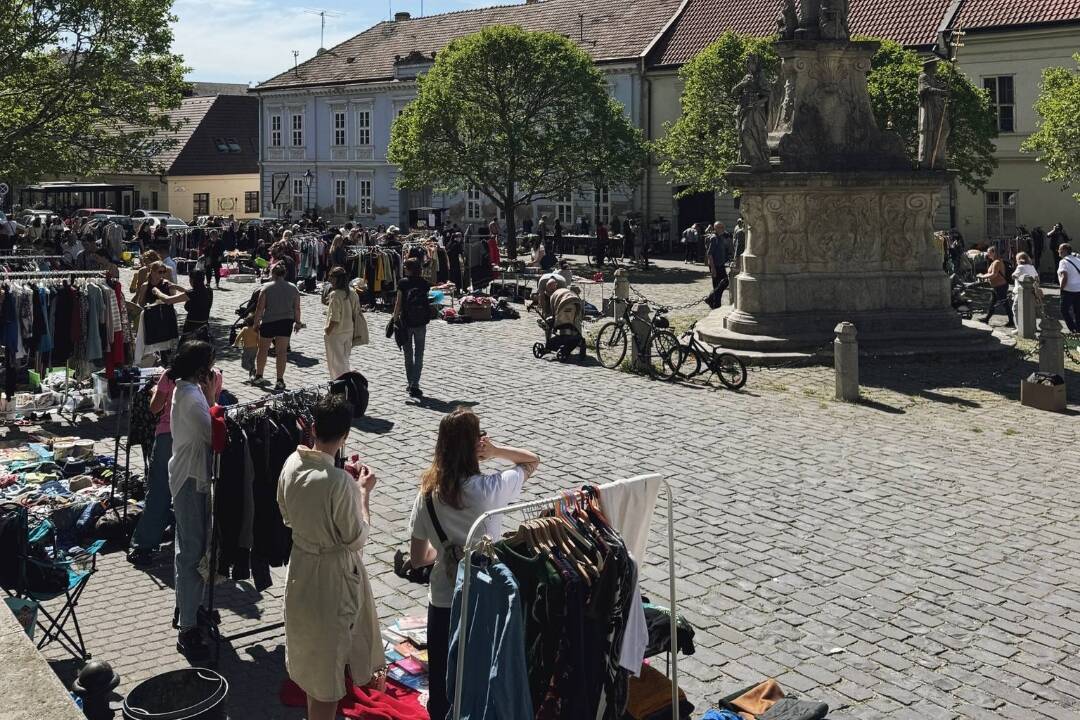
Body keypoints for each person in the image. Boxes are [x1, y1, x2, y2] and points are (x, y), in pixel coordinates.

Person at [406, 408, 539, 720]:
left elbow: (416, 559)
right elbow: (531, 461)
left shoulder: (427, 494)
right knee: (482, 679)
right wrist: (496, 451)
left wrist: (445, 553)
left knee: (442, 682)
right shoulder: (489, 490)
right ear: (475, 444)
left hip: (442, 598)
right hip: (483, 598)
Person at [277, 395, 381, 720]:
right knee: (326, 673)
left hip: (301, 567)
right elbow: (357, 536)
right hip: (331, 578)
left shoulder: (291, 464)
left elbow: (286, 516)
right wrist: (362, 493)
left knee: (312, 664)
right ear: (345, 435)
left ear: (313, 428)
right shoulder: (339, 483)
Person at [167, 340, 218, 661]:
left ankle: (189, 607)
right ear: (201, 369)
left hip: (189, 476)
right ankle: (187, 628)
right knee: (191, 552)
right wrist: (213, 397)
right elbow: (211, 432)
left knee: (190, 546)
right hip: (189, 479)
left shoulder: (187, 390)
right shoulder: (189, 396)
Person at [252, 263, 302, 390]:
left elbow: (259, 308)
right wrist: (298, 322)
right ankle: (280, 380)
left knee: (263, 350)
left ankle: (259, 376)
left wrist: (256, 323)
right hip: (286, 322)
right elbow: (296, 308)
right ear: (285, 274)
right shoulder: (293, 288)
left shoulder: (266, 288)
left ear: (272, 273)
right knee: (281, 352)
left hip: (269, 321)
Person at [392, 258, 431, 397]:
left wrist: (394, 320)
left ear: (408, 268)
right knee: (419, 354)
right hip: (421, 323)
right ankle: (416, 383)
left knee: (408, 354)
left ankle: (410, 383)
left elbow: (398, 304)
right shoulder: (424, 283)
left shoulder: (403, 283)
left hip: (406, 322)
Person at [323, 266, 357, 380]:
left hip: (336, 333)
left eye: (331, 277)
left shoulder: (335, 294)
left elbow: (335, 318)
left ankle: (340, 385)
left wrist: (327, 330)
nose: (329, 280)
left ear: (337, 279)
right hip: (349, 330)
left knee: (335, 363)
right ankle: (347, 381)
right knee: (344, 359)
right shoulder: (352, 293)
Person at [977, 246, 1014, 327]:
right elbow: (991, 274)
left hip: (1000, 286)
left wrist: (982, 277)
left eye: (989, 252)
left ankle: (1011, 321)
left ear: (994, 252)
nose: (987, 254)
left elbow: (994, 274)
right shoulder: (994, 262)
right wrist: (983, 276)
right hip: (996, 286)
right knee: (992, 303)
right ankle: (987, 319)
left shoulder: (997, 262)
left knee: (1005, 303)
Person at [181, 265, 214, 339]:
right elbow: (190, 292)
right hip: (204, 326)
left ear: (191, 280)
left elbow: (168, 300)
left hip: (191, 327)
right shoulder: (208, 290)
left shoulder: (191, 293)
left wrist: (157, 291)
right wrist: (176, 287)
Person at [1010, 252, 1040, 323]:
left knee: (1015, 308)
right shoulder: (1032, 267)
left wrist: (1018, 276)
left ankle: (1018, 327)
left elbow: (1013, 276)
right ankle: (1032, 326)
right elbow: (1037, 278)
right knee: (1029, 310)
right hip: (1032, 291)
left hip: (1020, 291)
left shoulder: (1020, 267)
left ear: (1019, 259)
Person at [1057, 243, 1080, 333]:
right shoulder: (1077, 260)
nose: (1058, 251)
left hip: (1068, 290)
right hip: (1078, 289)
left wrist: (1061, 288)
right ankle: (1078, 330)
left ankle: (1073, 329)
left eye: (1059, 249)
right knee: (1078, 312)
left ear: (1065, 251)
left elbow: (1064, 276)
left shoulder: (1063, 262)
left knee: (1064, 310)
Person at [707, 222, 732, 293]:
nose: (722, 229)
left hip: (721, 264)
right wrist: (713, 268)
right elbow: (709, 254)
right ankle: (713, 301)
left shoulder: (721, 237)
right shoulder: (714, 238)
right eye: (720, 227)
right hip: (715, 265)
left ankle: (712, 299)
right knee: (717, 284)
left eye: (723, 227)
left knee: (725, 282)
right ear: (715, 228)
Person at [233, 316, 259, 381]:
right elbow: (259, 339)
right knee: (251, 361)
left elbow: (238, 337)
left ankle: (252, 370)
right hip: (255, 348)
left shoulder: (245, 329)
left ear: (247, 323)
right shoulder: (256, 329)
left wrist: (235, 344)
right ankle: (252, 376)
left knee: (244, 364)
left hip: (247, 348)